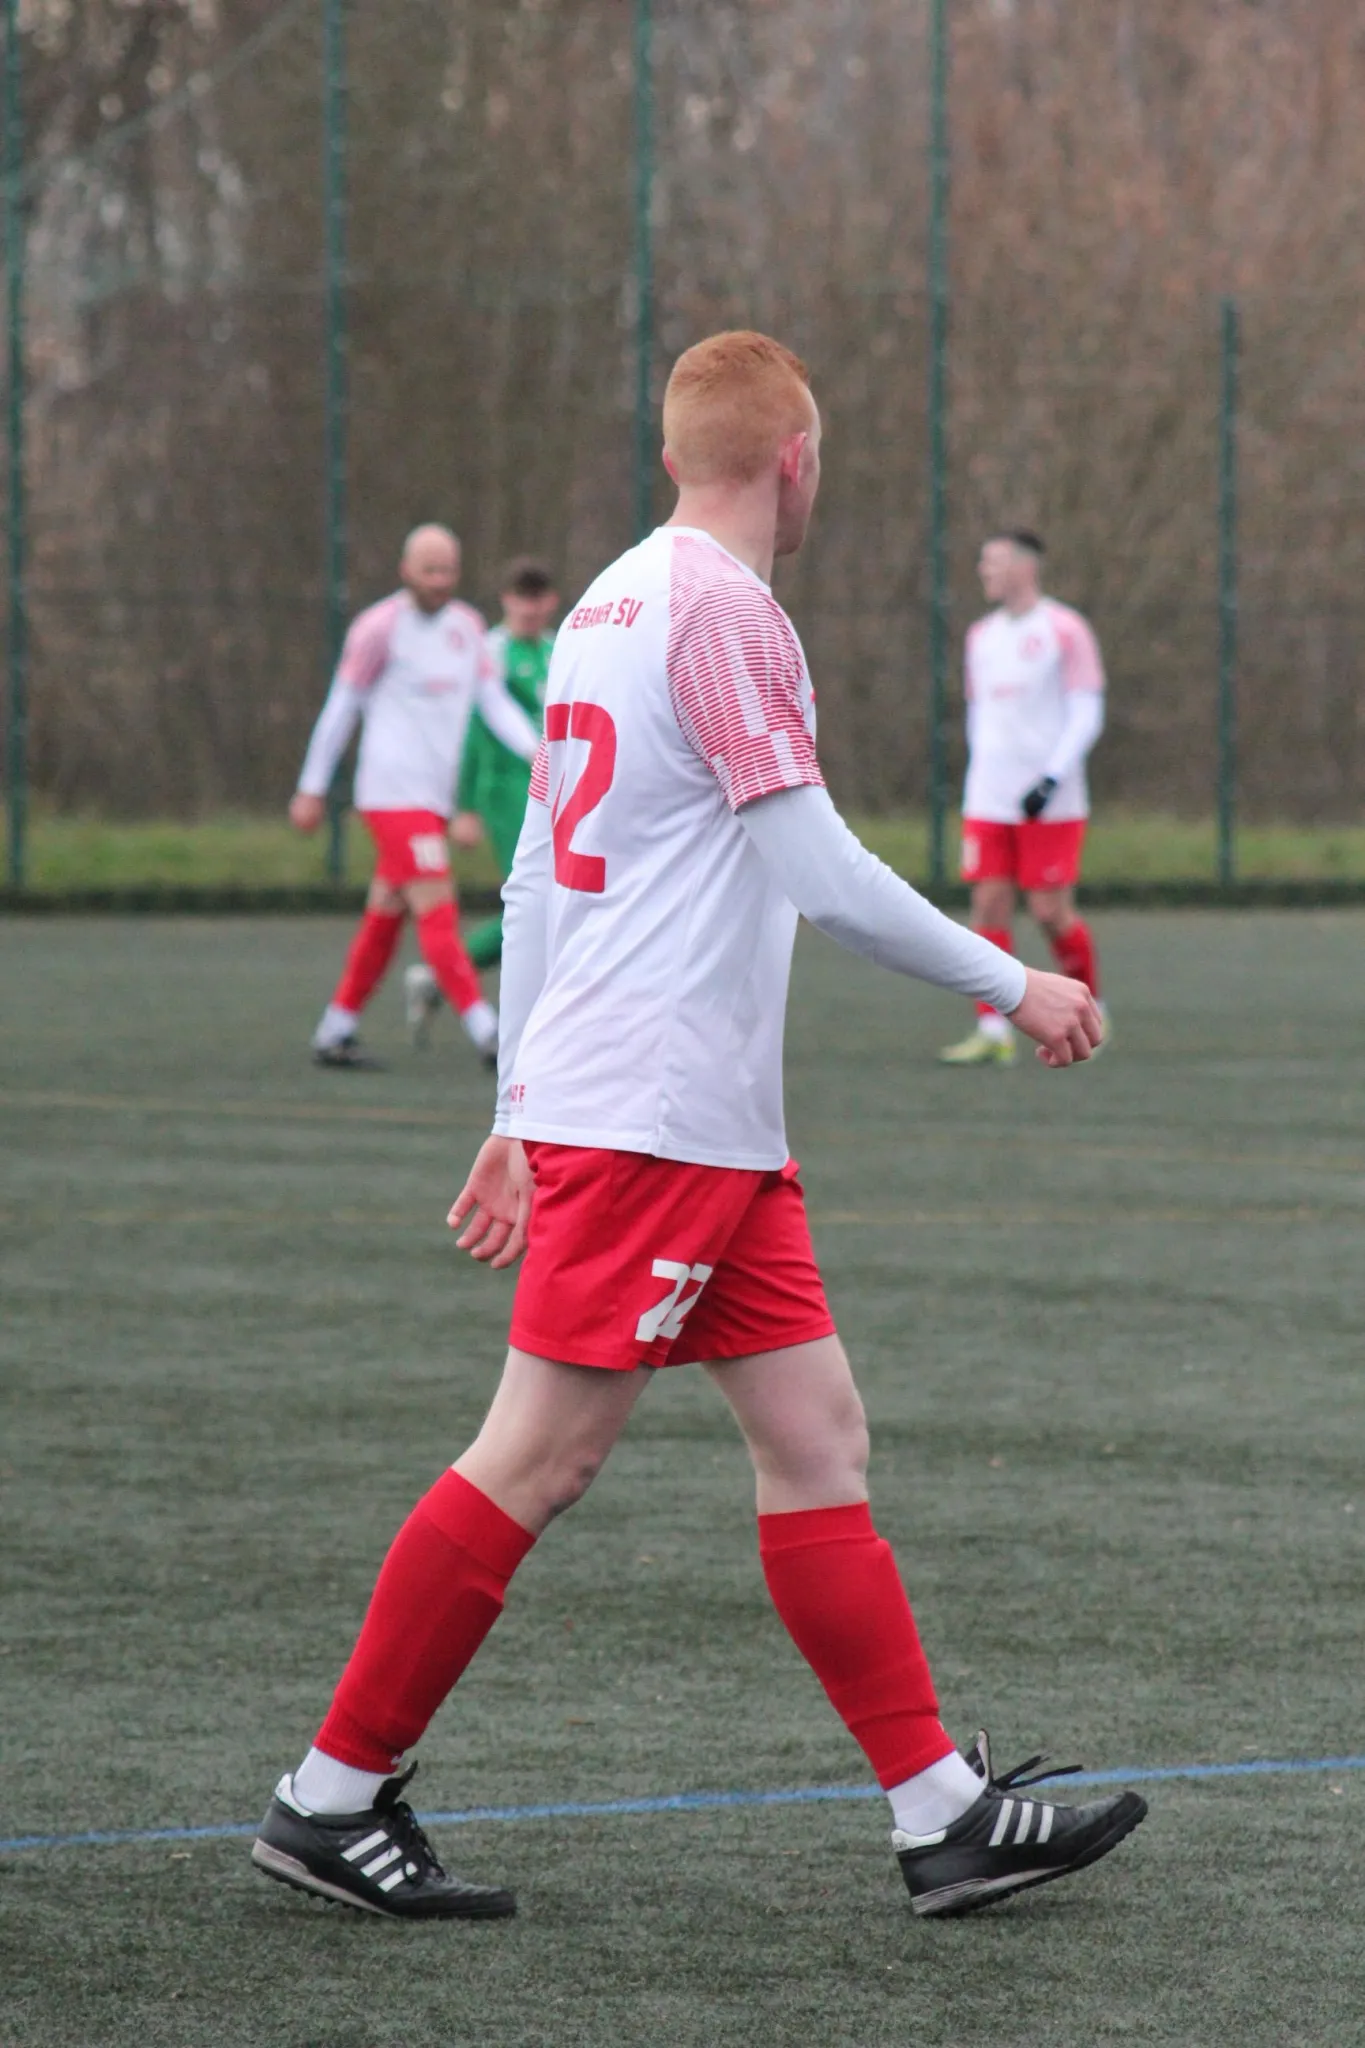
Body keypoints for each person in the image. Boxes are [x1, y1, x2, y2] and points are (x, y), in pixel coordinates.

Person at [253, 334, 1144, 1925]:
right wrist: (1013, 980)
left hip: (691, 1120)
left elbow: (537, 874)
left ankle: (938, 1813)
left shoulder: (604, 602)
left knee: (817, 1440)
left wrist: (517, 1104)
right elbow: (817, 873)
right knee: (540, 1453)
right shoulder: (726, 614)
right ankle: (330, 1797)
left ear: (676, 456)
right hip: (657, 1116)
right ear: (795, 460)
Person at [290, 524, 540, 1070]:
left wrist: (536, 750)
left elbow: (493, 701)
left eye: (448, 570)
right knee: (437, 909)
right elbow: (341, 708)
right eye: (429, 570)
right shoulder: (378, 628)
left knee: (385, 916)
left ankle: (336, 1029)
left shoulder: (468, 628)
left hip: (432, 800)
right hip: (390, 796)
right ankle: (490, 1034)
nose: (439, 580)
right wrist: (312, 787)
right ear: (406, 571)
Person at [940, 530, 1109, 1068]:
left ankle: (1091, 1014)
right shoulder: (980, 636)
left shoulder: (1065, 628)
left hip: (1049, 803)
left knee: (1048, 910)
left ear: (1025, 567)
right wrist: (981, 776)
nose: (984, 570)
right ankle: (992, 1029)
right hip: (988, 799)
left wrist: (1051, 778)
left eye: (994, 561)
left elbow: (1087, 712)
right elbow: (979, 715)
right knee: (988, 906)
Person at [403, 558, 558, 1043]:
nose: (530, 608)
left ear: (551, 602)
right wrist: (466, 805)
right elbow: (473, 731)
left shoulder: (557, 648)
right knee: (537, 897)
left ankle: (439, 977)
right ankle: (455, 980)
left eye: (538, 598)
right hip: (503, 789)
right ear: (506, 600)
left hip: (551, 789)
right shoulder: (492, 649)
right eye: (522, 597)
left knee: (548, 899)